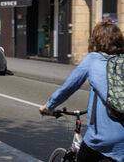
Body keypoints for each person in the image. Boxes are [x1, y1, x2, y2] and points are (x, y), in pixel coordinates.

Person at [40, 20, 124, 161]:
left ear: (96, 40)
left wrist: (48, 106)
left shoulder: (93, 59)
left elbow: (69, 87)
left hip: (101, 138)